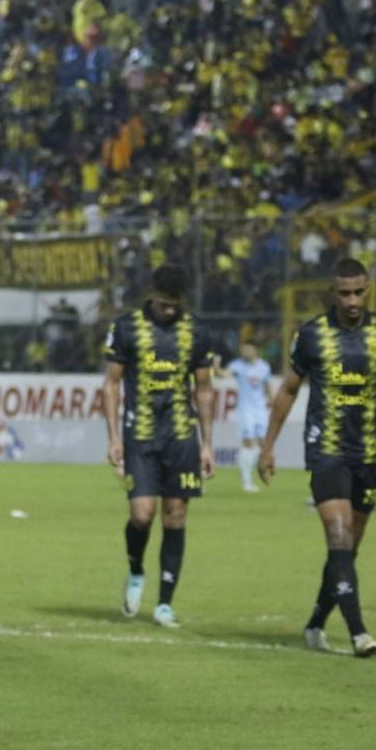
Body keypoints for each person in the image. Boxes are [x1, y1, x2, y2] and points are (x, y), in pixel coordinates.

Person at [258, 259, 376, 657]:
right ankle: (359, 632)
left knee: (347, 550)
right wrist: (267, 445)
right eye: (344, 293)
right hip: (326, 450)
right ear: (333, 293)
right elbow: (288, 391)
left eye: (358, 292)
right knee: (339, 535)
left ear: (367, 290)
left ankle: (315, 623)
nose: (352, 300)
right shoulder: (312, 335)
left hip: (368, 451)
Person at [103, 264, 215, 628]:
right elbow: (112, 384)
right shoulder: (126, 328)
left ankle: (165, 603)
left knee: (176, 515)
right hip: (141, 434)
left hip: (181, 435)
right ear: (151, 295)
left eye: (175, 305)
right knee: (141, 515)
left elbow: (203, 388)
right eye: (164, 304)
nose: (170, 312)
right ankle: (136, 570)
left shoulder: (196, 330)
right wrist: (113, 437)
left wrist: (208, 444)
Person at [227, 340, 272, 493]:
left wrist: (271, 401)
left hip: (261, 410)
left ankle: (259, 473)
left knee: (263, 443)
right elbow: (224, 374)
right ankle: (246, 481)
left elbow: (268, 386)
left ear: (255, 350)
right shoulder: (238, 365)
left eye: (248, 349)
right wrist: (215, 366)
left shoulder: (264, 367)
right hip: (245, 410)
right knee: (248, 443)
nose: (245, 351)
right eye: (243, 349)